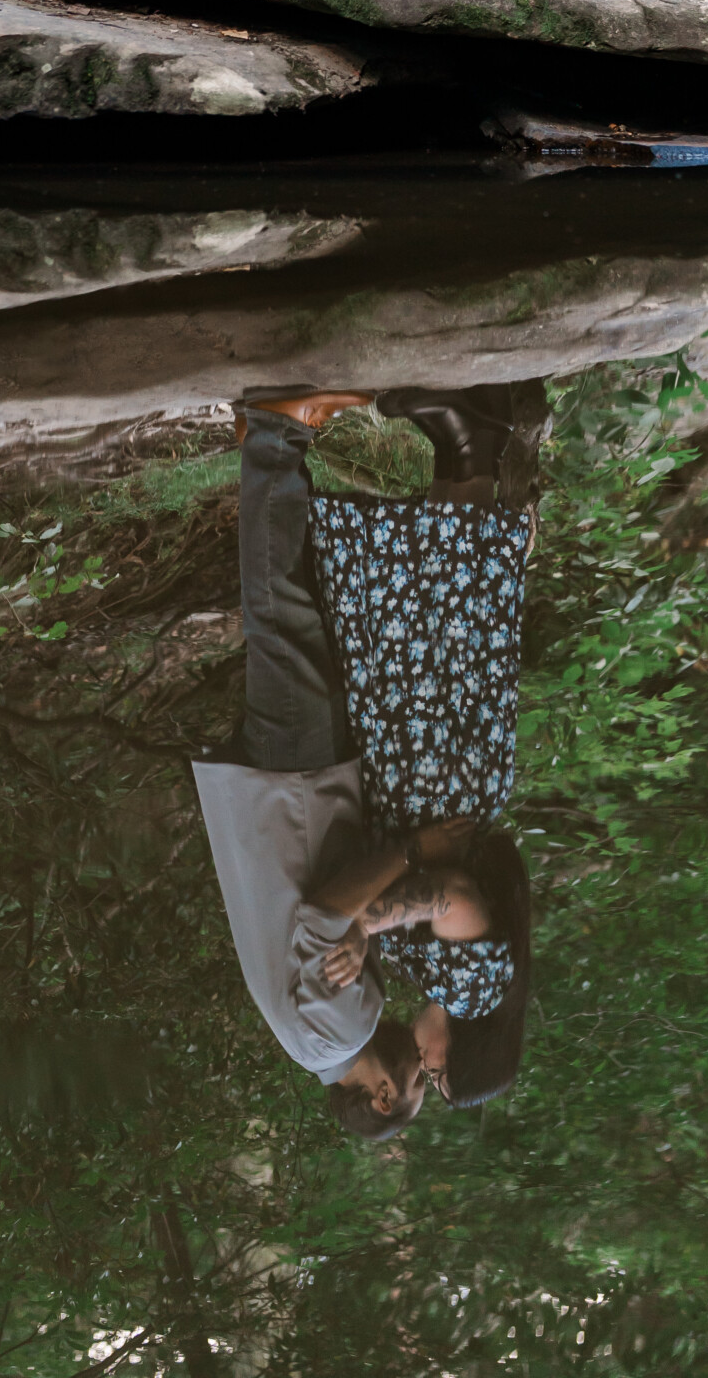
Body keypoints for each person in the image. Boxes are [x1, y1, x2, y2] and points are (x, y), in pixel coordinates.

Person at [305, 385, 541, 1109]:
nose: (425, 1063)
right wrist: (363, 926)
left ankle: (463, 445)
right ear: (466, 1050)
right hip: (440, 775)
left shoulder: (436, 986)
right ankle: (471, 441)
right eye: (439, 1074)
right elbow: (453, 899)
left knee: (435, 612)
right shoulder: (473, 994)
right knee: (445, 617)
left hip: (423, 773)